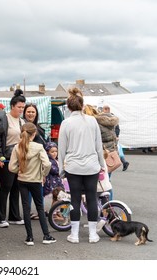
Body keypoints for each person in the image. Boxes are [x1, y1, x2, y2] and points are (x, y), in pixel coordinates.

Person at [58, 88, 106, 244]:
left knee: (75, 200)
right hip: (91, 166)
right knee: (92, 198)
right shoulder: (92, 121)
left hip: (73, 167)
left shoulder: (66, 123)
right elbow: (99, 146)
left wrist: (61, 169)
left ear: (68, 107)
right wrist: (101, 164)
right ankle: (93, 235)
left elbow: (61, 149)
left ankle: (74, 234)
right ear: (82, 105)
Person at [8, 122, 56, 245]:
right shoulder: (39, 147)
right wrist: (43, 175)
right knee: (40, 207)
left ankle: (29, 238)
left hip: (22, 180)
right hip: (36, 180)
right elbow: (47, 164)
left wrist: (19, 170)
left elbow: (11, 167)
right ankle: (46, 236)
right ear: (34, 134)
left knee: (25, 207)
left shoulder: (17, 147)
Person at [0, 89, 26, 228]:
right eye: (19, 107)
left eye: (23, 107)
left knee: (16, 187)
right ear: (12, 106)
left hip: (18, 158)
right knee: (6, 186)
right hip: (5, 158)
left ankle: (14, 216)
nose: (21, 109)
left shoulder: (22, 121)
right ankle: (0, 218)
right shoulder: (3, 119)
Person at [23, 102, 48, 219]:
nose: (31, 114)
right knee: (28, 189)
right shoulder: (22, 127)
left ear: (36, 113)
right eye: (28, 111)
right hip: (28, 162)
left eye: (33, 111)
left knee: (39, 188)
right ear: (24, 113)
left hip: (39, 162)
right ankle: (27, 212)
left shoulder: (40, 129)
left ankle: (40, 212)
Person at [102, 105, 129, 171]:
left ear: (105, 109)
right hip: (113, 138)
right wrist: (116, 136)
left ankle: (123, 162)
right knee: (117, 151)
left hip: (110, 140)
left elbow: (117, 128)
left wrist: (116, 136)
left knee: (115, 153)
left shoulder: (104, 118)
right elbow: (117, 128)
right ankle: (124, 162)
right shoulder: (113, 118)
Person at [43, 142, 64, 207]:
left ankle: (55, 212)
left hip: (56, 183)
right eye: (52, 152)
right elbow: (55, 170)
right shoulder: (49, 161)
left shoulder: (55, 160)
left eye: (56, 151)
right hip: (52, 184)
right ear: (47, 152)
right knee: (57, 198)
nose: (55, 153)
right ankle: (54, 212)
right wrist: (63, 168)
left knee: (57, 198)